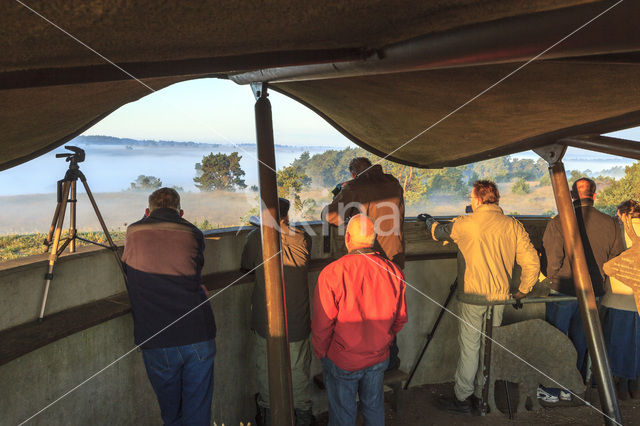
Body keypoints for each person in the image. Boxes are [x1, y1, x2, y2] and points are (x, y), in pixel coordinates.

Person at [419, 180, 539, 415]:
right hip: (500, 299)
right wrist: (523, 290)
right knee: (489, 349)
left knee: (470, 349)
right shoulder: (512, 225)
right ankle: (481, 396)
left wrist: (427, 221)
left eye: (471, 198)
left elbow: (438, 233)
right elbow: (532, 262)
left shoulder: (466, 224)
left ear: (477, 199)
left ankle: (462, 398)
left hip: (472, 298)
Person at [122, 187, 216, 426]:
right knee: (198, 414)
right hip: (198, 332)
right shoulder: (193, 232)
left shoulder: (133, 231)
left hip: (156, 336)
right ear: (181, 212)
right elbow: (196, 271)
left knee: (172, 416)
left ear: (147, 211)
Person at [312, 214, 407, 426]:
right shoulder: (394, 271)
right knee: (374, 408)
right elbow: (400, 318)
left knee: (343, 415)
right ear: (373, 238)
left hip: (343, 358)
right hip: (378, 356)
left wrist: (322, 352)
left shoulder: (331, 273)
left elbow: (321, 324)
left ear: (347, 238)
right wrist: (384, 340)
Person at [538, 177, 624, 403]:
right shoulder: (611, 224)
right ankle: (571, 386)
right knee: (581, 340)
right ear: (594, 196)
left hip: (564, 290)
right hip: (593, 292)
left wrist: (553, 279)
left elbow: (553, 260)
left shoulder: (558, 222)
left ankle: (551, 389)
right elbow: (615, 259)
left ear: (571, 196)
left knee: (556, 338)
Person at [323, 156, 405, 370]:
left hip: (367, 258)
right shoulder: (393, 183)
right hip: (394, 258)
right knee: (389, 311)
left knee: (362, 311)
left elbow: (332, 217)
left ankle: (361, 363)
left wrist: (343, 192)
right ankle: (390, 360)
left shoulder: (356, 187)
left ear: (353, 173)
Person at [241, 198, 314, 426]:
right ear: (287, 216)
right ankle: (302, 417)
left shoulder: (256, 238)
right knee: (299, 373)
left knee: (266, 372)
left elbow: (246, 265)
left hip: (267, 322)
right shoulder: (303, 238)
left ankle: (268, 416)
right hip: (298, 321)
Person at [601, 199, 640, 400]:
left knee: (617, 342)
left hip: (618, 296)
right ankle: (636, 384)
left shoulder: (615, 229)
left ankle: (621, 385)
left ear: (622, 213)